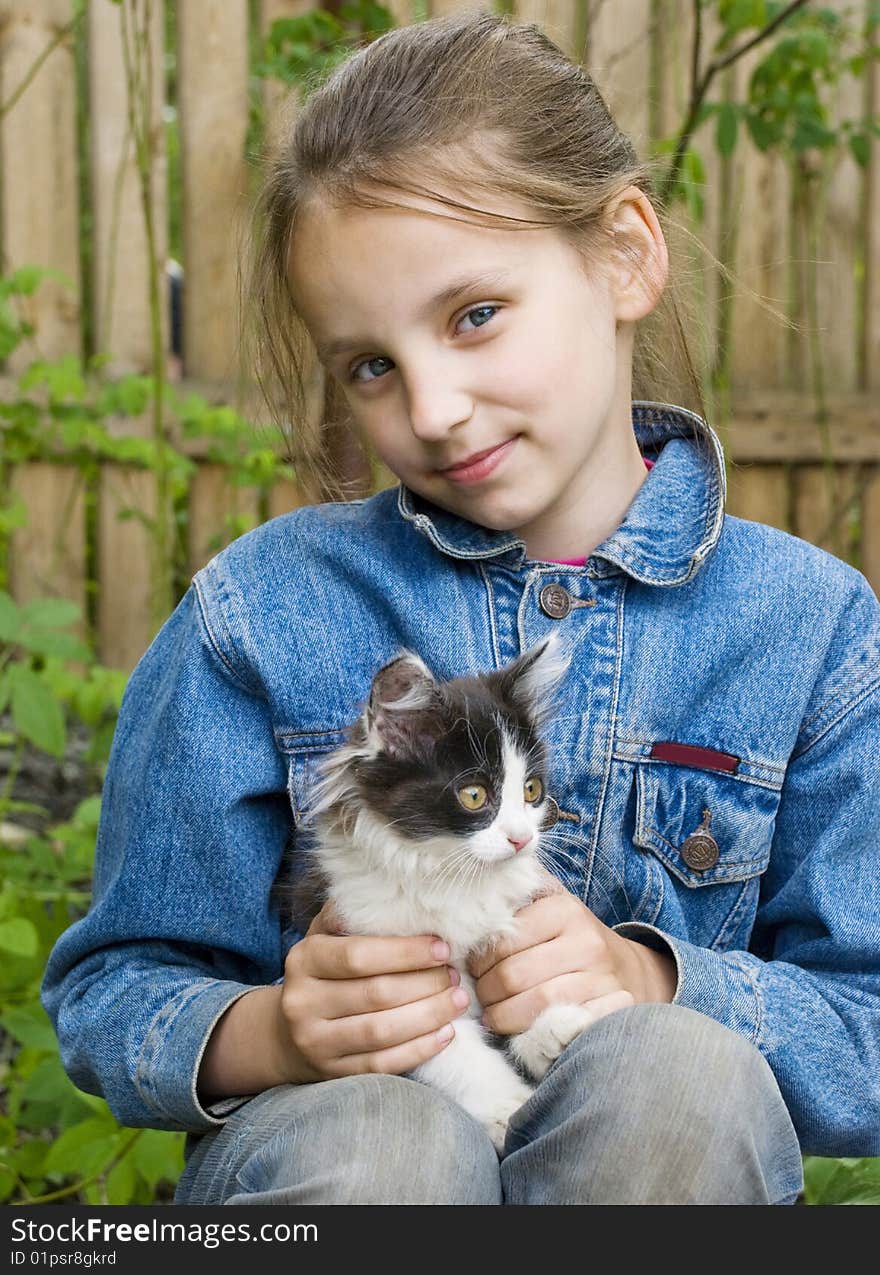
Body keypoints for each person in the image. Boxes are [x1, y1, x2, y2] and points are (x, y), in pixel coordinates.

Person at [42, 13, 879, 1206]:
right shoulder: (258, 614)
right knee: (388, 1141)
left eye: (474, 314)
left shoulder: (811, 628)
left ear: (625, 256)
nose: (431, 409)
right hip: (345, 1168)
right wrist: (274, 1033)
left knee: (677, 1077)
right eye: (369, 366)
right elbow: (118, 985)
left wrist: (656, 982)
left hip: (662, 1154)